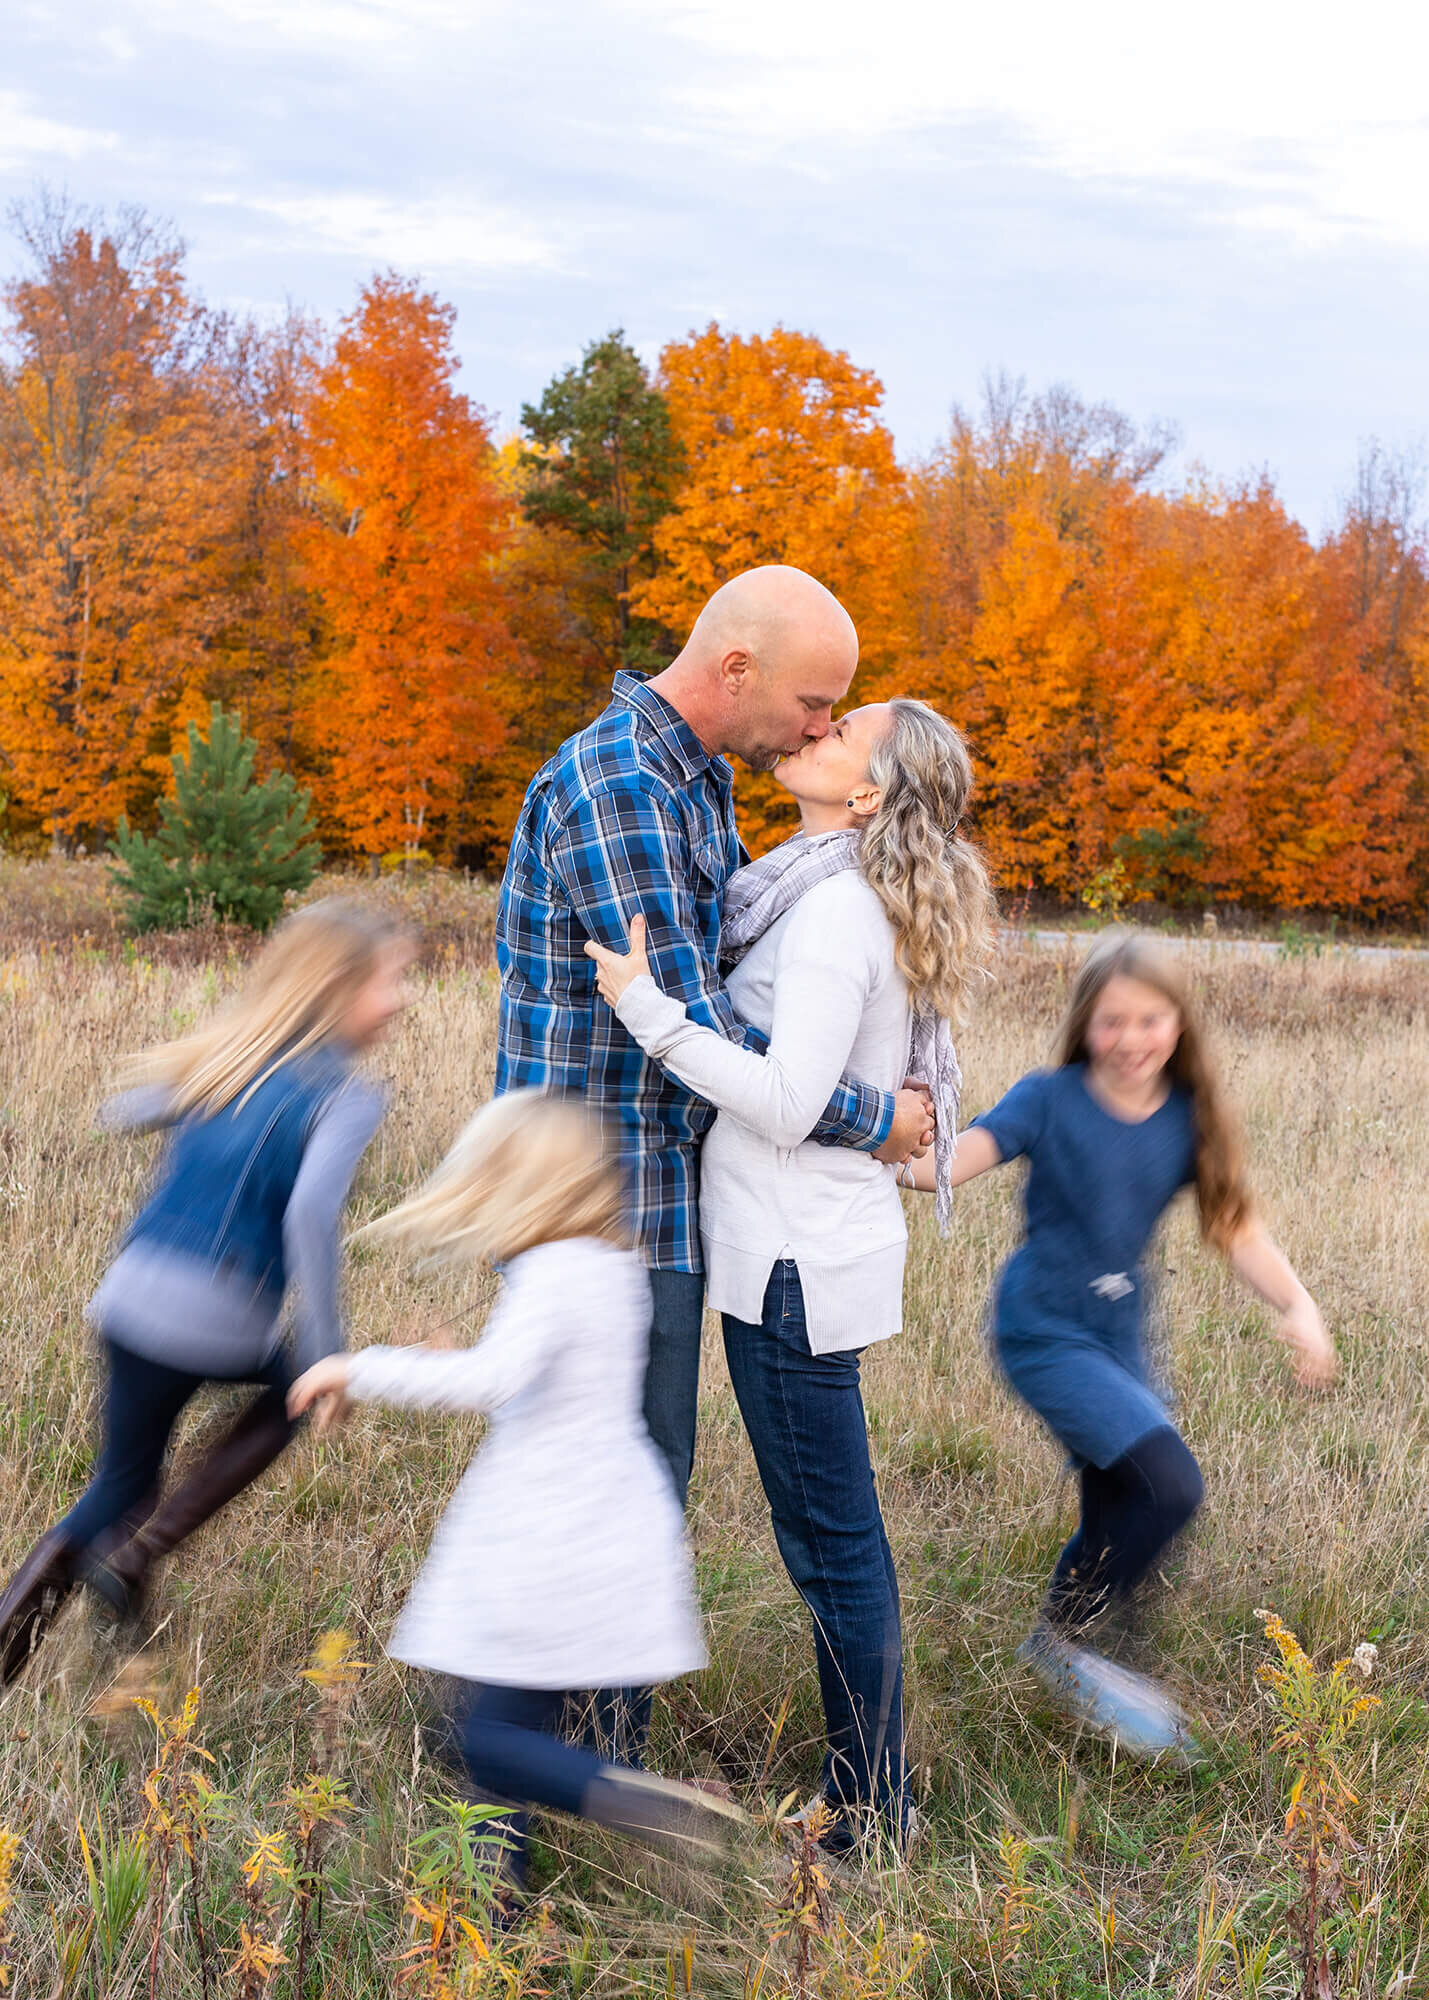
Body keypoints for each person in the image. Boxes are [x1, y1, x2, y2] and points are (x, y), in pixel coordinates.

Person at [586, 698, 997, 1853]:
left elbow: (787, 1099)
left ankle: (873, 1811)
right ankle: (871, 1792)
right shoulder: (820, 888)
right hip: (798, 1249)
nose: (810, 730)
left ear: (866, 796)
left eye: (838, 732)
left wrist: (645, 1010)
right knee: (832, 1535)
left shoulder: (831, 912)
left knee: (831, 1540)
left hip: (792, 1266)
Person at [495, 565, 934, 1513]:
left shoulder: (696, 781)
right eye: (815, 703)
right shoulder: (622, 786)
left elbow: (743, 982)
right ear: (736, 668)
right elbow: (694, 1016)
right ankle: (544, 1669)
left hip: (649, 1184)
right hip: (595, 1197)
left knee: (634, 1491)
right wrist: (876, 1121)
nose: (821, 726)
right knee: (618, 1504)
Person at [288, 1092, 739, 1908]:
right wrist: (461, 1356)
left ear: (525, 1188)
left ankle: (631, 1800)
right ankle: (498, 1919)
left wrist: (357, 1367)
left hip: (547, 1529)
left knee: (479, 1739)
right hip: (602, 1520)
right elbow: (542, 1381)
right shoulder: (611, 1266)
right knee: (506, 1735)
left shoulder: (554, 1270)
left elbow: (494, 1380)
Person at [906, 929, 1337, 1754]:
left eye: (1148, 1021)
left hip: (1121, 1334)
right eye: (1110, 1022)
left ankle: (1087, 1656)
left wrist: (1298, 1305)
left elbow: (1233, 1225)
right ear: (1083, 1024)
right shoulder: (1048, 1098)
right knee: (1168, 1487)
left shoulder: (1186, 1117)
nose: (1129, 1040)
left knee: (1120, 1506)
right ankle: (1064, 1646)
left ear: (1177, 1025)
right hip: (1043, 1329)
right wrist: (889, 1141)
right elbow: (957, 1162)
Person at [0, 900, 412, 1684]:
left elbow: (122, 1112)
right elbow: (312, 1215)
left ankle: (19, 1647)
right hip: (215, 1310)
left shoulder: (231, 1056)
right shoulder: (348, 1095)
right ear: (336, 986)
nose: (398, 1001)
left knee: (119, 1482)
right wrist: (328, 1356)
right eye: (387, 981)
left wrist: (211, 1079)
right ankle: (141, 1549)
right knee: (295, 1380)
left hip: (126, 1298)